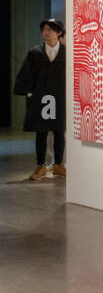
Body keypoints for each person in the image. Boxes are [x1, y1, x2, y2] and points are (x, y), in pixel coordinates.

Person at [12, 18, 66, 180]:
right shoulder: (35, 53)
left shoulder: (66, 53)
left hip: (59, 98)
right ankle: (40, 165)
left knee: (59, 131)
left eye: (50, 29)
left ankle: (58, 165)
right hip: (42, 98)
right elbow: (26, 74)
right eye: (44, 29)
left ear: (59, 33)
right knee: (41, 131)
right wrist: (29, 92)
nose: (46, 32)